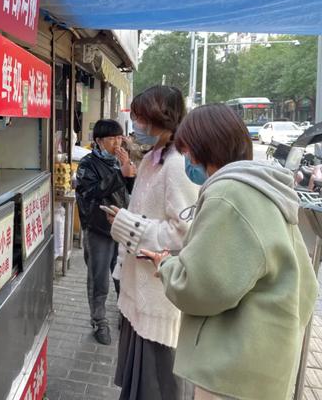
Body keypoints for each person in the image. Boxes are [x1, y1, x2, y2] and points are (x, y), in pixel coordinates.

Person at [142, 104, 318, 400]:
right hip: (265, 359)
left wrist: (167, 265)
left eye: (186, 152)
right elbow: (307, 284)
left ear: (203, 147)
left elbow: (200, 288)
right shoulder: (262, 189)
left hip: (234, 370)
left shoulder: (228, 196)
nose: (185, 160)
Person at [105, 86, 199, 400]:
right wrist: (125, 218)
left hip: (158, 296)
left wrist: (128, 224)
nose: (136, 126)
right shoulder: (151, 160)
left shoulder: (177, 165)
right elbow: (144, 210)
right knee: (139, 383)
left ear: (161, 119)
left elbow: (183, 233)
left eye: (141, 118)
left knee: (157, 385)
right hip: (138, 293)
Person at [75, 119, 136, 345]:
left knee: (123, 273)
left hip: (122, 226)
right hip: (98, 227)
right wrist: (120, 174)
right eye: (112, 139)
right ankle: (99, 321)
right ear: (99, 141)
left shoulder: (119, 161)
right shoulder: (87, 165)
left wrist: (129, 173)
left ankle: (125, 313)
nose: (117, 143)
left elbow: (130, 191)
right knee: (99, 278)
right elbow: (90, 192)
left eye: (120, 138)